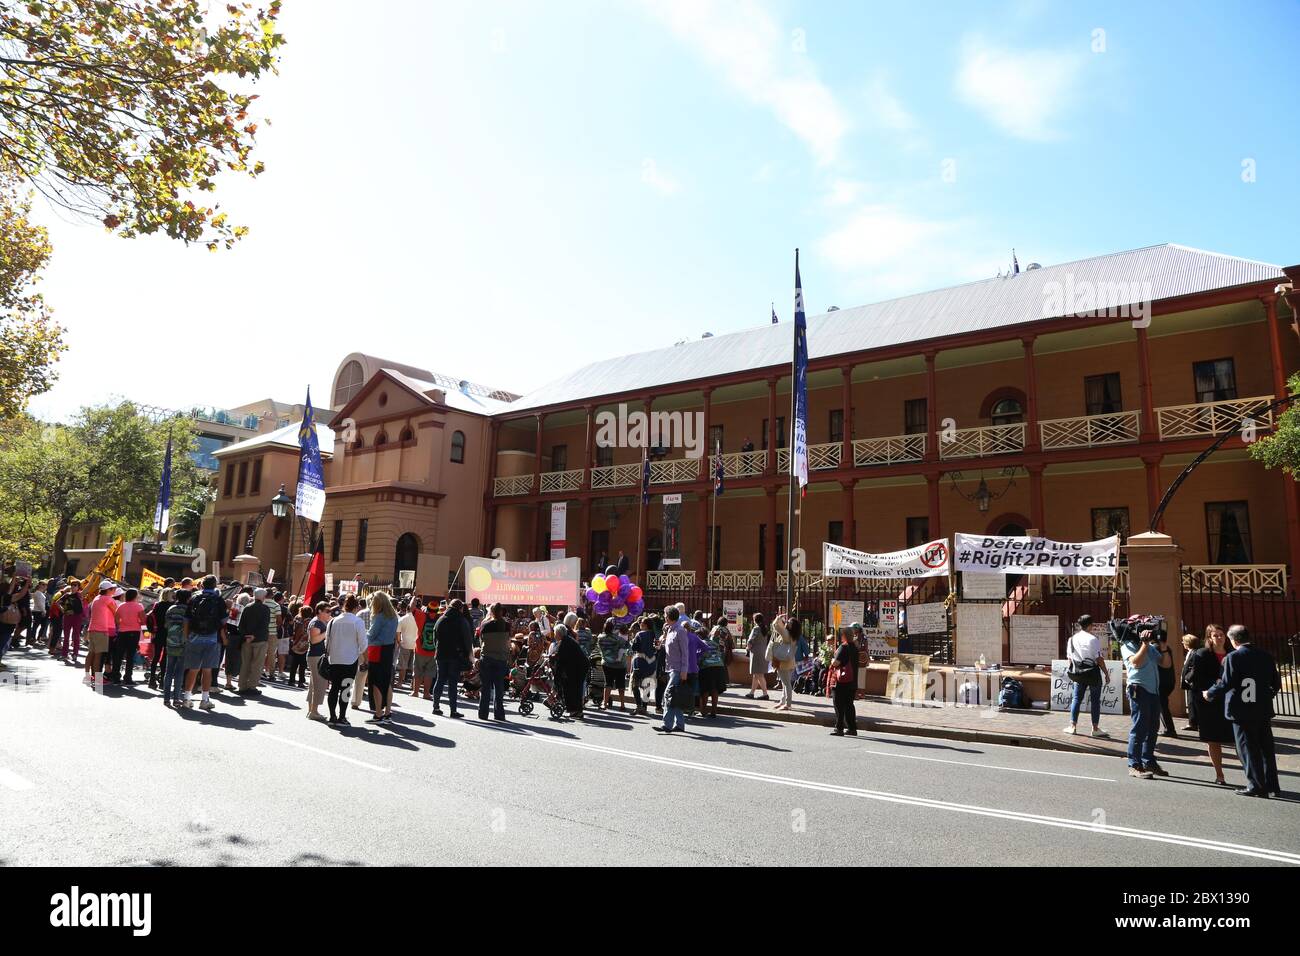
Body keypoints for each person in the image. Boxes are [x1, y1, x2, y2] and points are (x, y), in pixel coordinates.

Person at [1205, 625, 1282, 798]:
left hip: (1241, 711)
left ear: (1234, 640)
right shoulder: (1266, 656)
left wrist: (1209, 693)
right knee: (1266, 749)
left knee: (1247, 749)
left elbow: (1227, 682)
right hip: (1262, 710)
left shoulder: (1233, 657)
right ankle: (1272, 785)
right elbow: (1275, 684)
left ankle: (1256, 785)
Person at [1117, 617, 1166, 780]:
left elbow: (1166, 664)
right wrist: (1145, 644)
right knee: (1139, 728)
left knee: (1153, 728)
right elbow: (1135, 663)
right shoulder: (1128, 645)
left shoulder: (1151, 647)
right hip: (1138, 689)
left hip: (1153, 690)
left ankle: (1149, 761)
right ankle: (1134, 764)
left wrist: (1163, 644)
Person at [1187, 624, 1235, 786]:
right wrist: (1215, 683)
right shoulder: (1202, 655)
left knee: (1238, 740)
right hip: (1210, 702)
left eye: (1222, 635)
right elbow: (1196, 679)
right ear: (1209, 638)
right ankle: (1219, 775)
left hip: (1231, 702)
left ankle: (1252, 775)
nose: (1220, 638)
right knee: (1213, 740)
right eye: (1216, 635)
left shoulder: (1233, 654)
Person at [181, 576, 227, 711]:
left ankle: (187, 698)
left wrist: (186, 637)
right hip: (212, 638)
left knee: (193, 669)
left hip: (194, 637)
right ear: (215, 586)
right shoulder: (218, 600)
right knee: (207, 670)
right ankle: (205, 699)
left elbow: (186, 619)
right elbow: (224, 622)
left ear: (201, 585)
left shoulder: (194, 598)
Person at [1063, 614, 1110, 738]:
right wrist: (1106, 673)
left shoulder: (1072, 639)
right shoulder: (1093, 639)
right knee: (1095, 701)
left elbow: (1069, 658)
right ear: (1090, 625)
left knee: (1076, 699)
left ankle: (1072, 726)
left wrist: (1073, 671)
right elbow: (1099, 659)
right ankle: (1095, 728)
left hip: (1078, 673)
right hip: (1092, 673)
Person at [325, 595, 368, 726]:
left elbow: (327, 641)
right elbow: (363, 644)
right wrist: (366, 659)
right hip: (350, 660)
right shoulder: (357, 622)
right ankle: (342, 716)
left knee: (334, 688)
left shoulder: (333, 621)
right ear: (356, 607)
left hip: (334, 659)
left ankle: (332, 716)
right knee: (345, 689)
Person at [363, 591, 399, 724]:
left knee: (375, 682)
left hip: (377, 650)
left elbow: (371, 635)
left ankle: (378, 714)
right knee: (386, 682)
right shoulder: (394, 616)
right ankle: (387, 712)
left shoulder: (379, 616)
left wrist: (362, 633)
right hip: (388, 650)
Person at [433, 598, 472, 718]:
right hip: (455, 655)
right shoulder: (461, 620)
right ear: (460, 608)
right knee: (453, 683)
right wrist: (467, 654)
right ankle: (453, 710)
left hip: (441, 653)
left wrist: (437, 649)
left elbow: (435, 637)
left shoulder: (441, 619)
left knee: (440, 680)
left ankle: (436, 706)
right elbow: (467, 639)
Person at [654, 606, 690, 734]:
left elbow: (685, 652)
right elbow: (669, 647)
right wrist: (660, 645)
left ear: (669, 616)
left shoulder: (680, 631)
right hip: (670, 668)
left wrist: (684, 671)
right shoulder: (669, 630)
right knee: (675, 697)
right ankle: (680, 725)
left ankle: (666, 725)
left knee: (668, 695)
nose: (664, 617)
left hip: (678, 668)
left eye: (664, 615)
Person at [477, 602, 512, 721]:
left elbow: (481, 641)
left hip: (486, 657)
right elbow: (508, 641)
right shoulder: (507, 625)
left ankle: (483, 714)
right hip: (501, 658)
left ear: (491, 612)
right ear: (501, 612)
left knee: (486, 687)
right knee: (499, 688)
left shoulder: (485, 625)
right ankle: (499, 714)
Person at [237, 588, 272, 696]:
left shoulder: (247, 607)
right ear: (263, 597)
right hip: (260, 639)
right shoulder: (265, 608)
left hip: (246, 640)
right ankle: (252, 686)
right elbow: (264, 625)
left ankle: (242, 686)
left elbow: (241, 624)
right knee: (257, 664)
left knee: (245, 663)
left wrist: (246, 636)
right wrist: (254, 636)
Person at [84, 579, 118, 685]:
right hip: (101, 630)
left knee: (91, 654)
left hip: (92, 628)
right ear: (108, 590)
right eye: (112, 588)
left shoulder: (97, 598)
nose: (114, 590)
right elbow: (116, 613)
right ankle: (98, 680)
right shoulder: (108, 599)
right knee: (98, 656)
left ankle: (87, 677)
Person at [552, 622, 589, 719]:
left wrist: (556, 677)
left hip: (578, 668)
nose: (554, 635)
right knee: (572, 688)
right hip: (577, 667)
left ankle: (575, 711)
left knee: (572, 688)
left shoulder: (565, 643)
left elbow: (560, 662)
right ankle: (575, 711)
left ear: (559, 634)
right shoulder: (566, 641)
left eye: (555, 633)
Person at [111, 587, 147, 685]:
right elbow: (143, 621)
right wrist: (146, 635)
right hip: (134, 632)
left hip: (122, 632)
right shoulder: (139, 606)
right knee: (130, 656)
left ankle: (116, 677)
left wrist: (123, 624)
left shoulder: (121, 606)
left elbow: (117, 620)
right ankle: (128, 678)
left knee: (118, 655)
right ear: (135, 596)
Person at [828, 627, 859, 736]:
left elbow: (836, 663)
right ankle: (852, 728)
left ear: (844, 636)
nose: (841, 637)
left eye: (842, 635)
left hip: (841, 681)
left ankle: (839, 728)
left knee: (839, 705)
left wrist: (832, 659)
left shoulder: (843, 647)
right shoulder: (855, 648)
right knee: (849, 705)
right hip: (852, 680)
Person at [161, 590, 190, 707]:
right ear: (188, 598)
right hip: (184, 643)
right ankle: (176, 698)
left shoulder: (171, 609)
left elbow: (166, 625)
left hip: (170, 641)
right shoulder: (188, 610)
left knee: (169, 671)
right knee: (179, 672)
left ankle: (166, 698)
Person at [697, 613, 730, 718]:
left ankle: (703, 711)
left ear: (699, 636)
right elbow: (720, 652)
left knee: (705, 690)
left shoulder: (701, 643)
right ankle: (714, 712)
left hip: (707, 668)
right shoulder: (714, 643)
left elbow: (700, 657)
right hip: (719, 666)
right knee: (714, 689)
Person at [305, 601, 332, 721]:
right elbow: (314, 640)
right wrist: (326, 633)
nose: (329, 613)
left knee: (314, 685)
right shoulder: (316, 622)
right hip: (316, 656)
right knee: (319, 685)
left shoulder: (321, 622)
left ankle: (311, 710)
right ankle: (313, 712)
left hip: (317, 656)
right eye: (327, 611)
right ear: (320, 611)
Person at [597, 618, 630, 711]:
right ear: (612, 629)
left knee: (608, 683)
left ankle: (605, 703)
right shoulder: (618, 639)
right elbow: (627, 645)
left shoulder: (600, 638)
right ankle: (622, 705)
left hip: (606, 663)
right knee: (621, 685)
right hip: (619, 664)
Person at [769, 610, 799, 711]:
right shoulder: (794, 636)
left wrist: (778, 618)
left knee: (786, 683)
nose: (786, 623)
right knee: (785, 682)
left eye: (789, 622)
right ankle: (783, 701)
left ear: (791, 626)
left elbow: (775, 626)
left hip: (783, 662)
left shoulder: (786, 634)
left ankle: (788, 704)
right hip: (789, 662)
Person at [628, 615, 658, 716]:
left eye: (641, 623)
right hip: (651, 662)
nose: (640, 624)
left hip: (640, 661)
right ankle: (644, 707)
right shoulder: (654, 634)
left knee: (635, 685)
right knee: (647, 685)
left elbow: (634, 647)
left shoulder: (639, 634)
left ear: (645, 625)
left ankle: (638, 706)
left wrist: (632, 640)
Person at [146, 585, 173, 689]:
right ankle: (162, 680)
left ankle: (152, 679)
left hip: (158, 633)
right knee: (165, 657)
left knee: (156, 656)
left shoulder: (157, 605)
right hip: (169, 633)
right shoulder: (172, 605)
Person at [411, 605, 439, 700]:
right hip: (433, 650)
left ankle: (415, 692)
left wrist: (415, 595)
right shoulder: (440, 617)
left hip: (420, 648)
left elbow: (411, 608)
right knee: (429, 673)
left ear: (427, 609)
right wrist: (447, 598)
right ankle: (426, 693)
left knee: (418, 670)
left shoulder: (422, 616)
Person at [56, 578, 85, 664]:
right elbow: (57, 603)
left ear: (78, 587)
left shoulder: (80, 595)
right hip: (67, 617)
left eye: (75, 585)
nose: (73, 587)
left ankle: (75, 654)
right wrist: (63, 610)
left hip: (77, 617)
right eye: (72, 585)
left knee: (76, 636)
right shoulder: (66, 595)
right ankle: (64, 654)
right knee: (66, 636)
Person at [1180, 632, 1202, 732]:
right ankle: (1193, 722)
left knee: (1192, 702)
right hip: (1191, 683)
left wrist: (1187, 678)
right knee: (1191, 702)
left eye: (1183, 641)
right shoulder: (1192, 652)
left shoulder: (1194, 653)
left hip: (1193, 683)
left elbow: (1194, 669)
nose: (1182, 643)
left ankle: (1193, 723)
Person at [745, 612, 770, 700]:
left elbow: (750, 641)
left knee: (759, 674)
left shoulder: (756, 629)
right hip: (763, 651)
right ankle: (752, 692)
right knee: (756, 674)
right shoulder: (764, 628)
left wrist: (747, 648)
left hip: (756, 653)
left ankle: (765, 693)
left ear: (755, 620)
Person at [287, 604, 312, 687]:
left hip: (295, 642)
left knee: (294, 663)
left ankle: (291, 680)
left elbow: (292, 628)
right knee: (302, 664)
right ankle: (301, 681)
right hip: (304, 644)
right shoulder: (309, 621)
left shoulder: (297, 618)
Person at [395, 600, 419, 688]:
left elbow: (398, 633)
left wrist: (399, 642)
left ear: (406, 609)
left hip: (404, 643)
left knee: (403, 665)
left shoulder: (402, 619)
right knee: (415, 665)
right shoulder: (418, 619)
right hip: (416, 644)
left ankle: (400, 682)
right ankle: (413, 685)